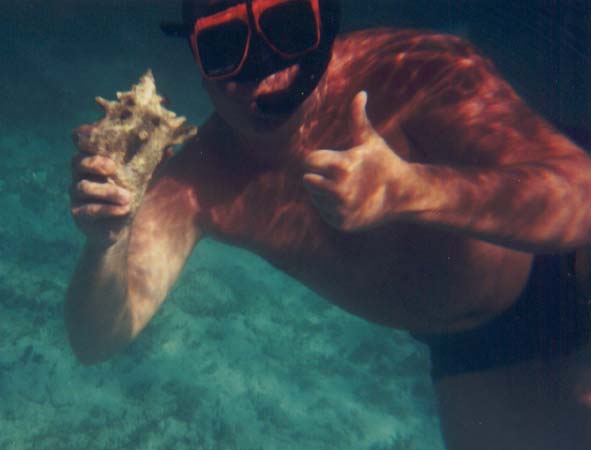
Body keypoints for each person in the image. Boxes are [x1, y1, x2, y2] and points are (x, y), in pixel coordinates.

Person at [66, 0, 591, 448]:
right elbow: (96, 340)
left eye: (289, 28)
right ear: (198, 60)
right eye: (226, 46)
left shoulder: (411, 69)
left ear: (326, 21)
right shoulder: (199, 182)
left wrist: (415, 189)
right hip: (470, 341)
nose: (267, 69)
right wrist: (105, 244)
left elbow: (580, 198)